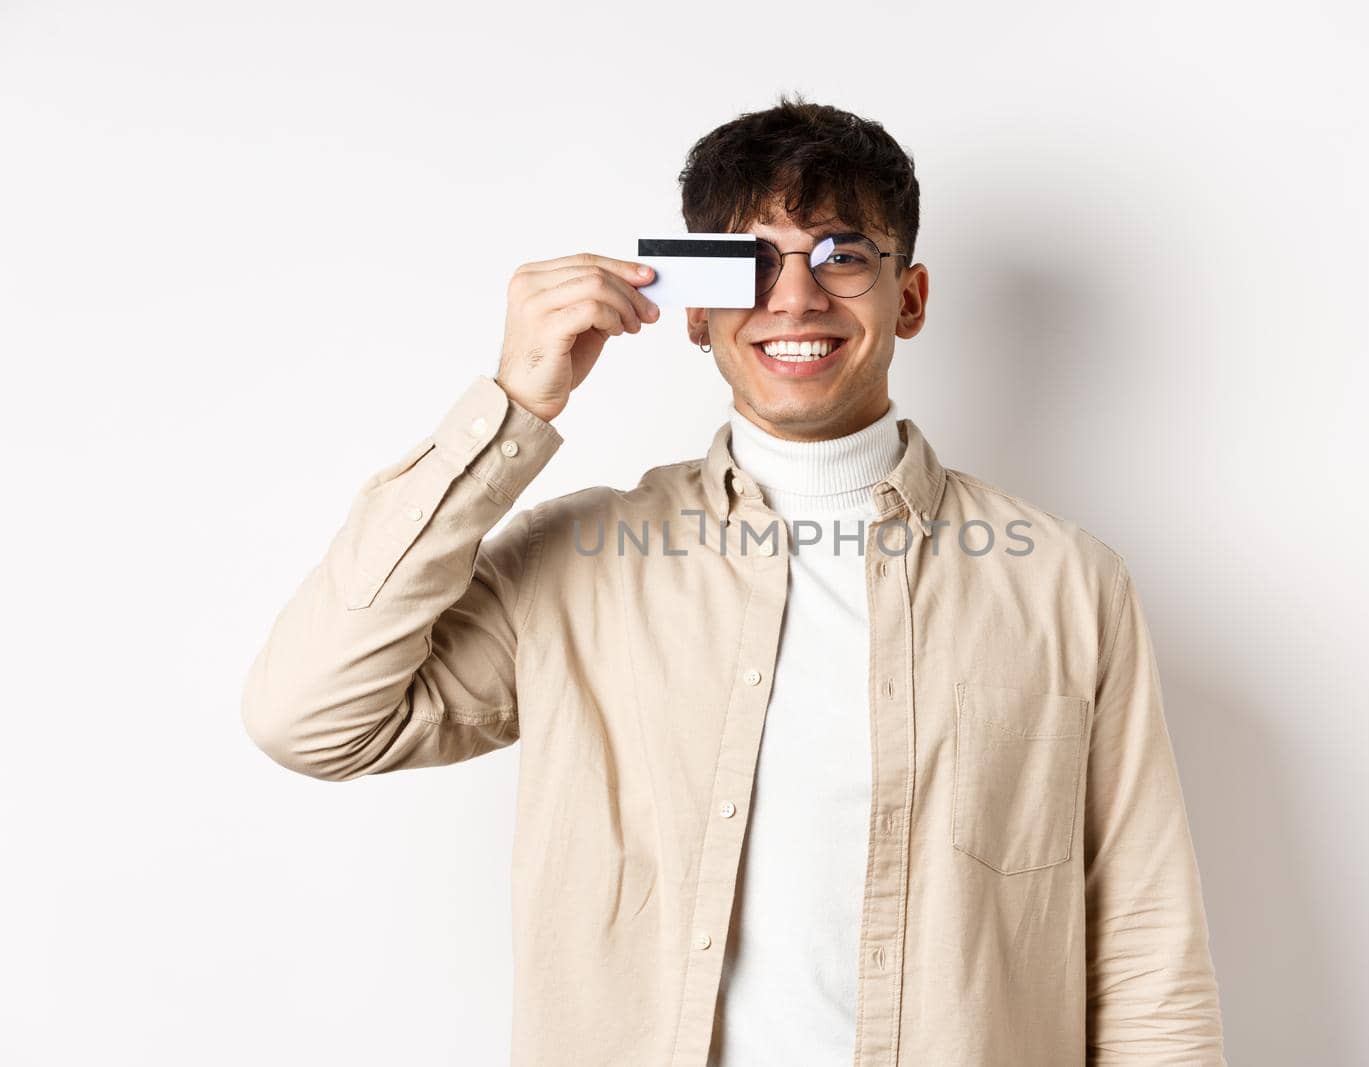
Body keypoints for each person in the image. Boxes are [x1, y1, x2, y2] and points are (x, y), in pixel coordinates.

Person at [241, 93, 1227, 1066]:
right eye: (745, 264)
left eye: (842, 256)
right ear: (689, 308)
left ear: (910, 297)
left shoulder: (1063, 581)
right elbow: (311, 717)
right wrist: (512, 405)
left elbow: (1145, 946)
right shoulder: (578, 565)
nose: (794, 299)